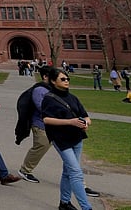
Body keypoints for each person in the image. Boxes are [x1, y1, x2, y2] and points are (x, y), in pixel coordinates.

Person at [42, 67, 93, 210]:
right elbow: (46, 119)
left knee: (68, 171)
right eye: (62, 79)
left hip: (77, 137)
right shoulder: (49, 98)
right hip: (61, 139)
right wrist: (70, 122)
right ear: (53, 81)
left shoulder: (73, 97)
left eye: (67, 79)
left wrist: (85, 123)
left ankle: (64, 203)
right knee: (76, 173)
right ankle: (86, 207)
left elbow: (86, 116)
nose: (66, 81)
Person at [16, 65, 54, 183]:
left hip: (55, 125)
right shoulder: (39, 90)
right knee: (42, 145)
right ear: (45, 76)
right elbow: (42, 107)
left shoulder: (52, 89)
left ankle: (74, 176)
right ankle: (25, 170)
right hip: (40, 124)